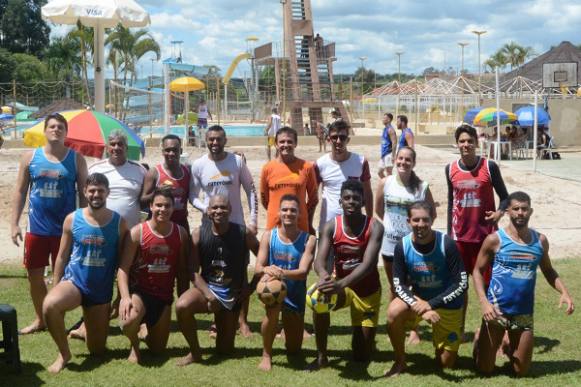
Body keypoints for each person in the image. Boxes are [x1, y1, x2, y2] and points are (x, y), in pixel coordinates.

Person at [473, 191, 574, 377]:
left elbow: (548, 270)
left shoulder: (540, 241)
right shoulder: (495, 240)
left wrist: (564, 292)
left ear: (531, 211)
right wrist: (483, 302)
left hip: (523, 313)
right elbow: (477, 271)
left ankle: (507, 342)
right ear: (508, 212)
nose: (520, 213)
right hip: (496, 311)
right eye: (516, 209)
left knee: (521, 371)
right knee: (485, 369)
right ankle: (481, 336)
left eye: (524, 209)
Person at [11, 112, 88, 335]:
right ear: (45, 131)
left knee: (62, 276)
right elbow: (20, 191)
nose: (56, 130)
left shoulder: (76, 159)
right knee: (34, 275)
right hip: (37, 229)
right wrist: (14, 224)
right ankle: (40, 319)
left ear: (66, 133)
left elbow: (84, 195)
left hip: (65, 230)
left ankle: (56, 318)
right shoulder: (30, 158)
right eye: (52, 126)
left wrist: (83, 223)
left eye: (60, 127)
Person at [65, 131, 147, 340]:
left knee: (128, 276)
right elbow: (86, 199)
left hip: (129, 236)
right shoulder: (96, 169)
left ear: (126, 147)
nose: (117, 148)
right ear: (107, 147)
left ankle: (132, 317)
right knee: (96, 280)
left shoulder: (139, 170)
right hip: (100, 234)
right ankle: (87, 323)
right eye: (112, 144)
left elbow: (145, 201)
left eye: (120, 144)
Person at [42, 173, 127, 373]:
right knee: (50, 305)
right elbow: (62, 256)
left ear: (108, 192)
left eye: (100, 191)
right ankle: (64, 353)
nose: (96, 194)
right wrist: (56, 285)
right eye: (92, 191)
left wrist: (121, 297)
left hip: (101, 290)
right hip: (74, 282)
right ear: (85, 192)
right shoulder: (72, 219)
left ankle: (85, 328)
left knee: (97, 351)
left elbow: (123, 262)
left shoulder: (119, 223)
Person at [190, 124, 258, 336]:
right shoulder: (199, 165)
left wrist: (253, 219)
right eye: (211, 139)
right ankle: (215, 318)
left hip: (236, 226)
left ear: (225, 140)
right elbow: (192, 196)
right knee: (211, 271)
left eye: (219, 139)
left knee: (240, 271)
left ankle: (243, 320)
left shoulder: (236, 161)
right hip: (211, 227)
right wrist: (207, 209)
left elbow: (251, 189)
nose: (215, 143)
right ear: (206, 140)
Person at [308, 180, 384, 370]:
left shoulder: (375, 227)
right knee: (319, 297)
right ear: (340, 202)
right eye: (347, 198)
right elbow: (319, 260)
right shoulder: (330, 226)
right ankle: (321, 356)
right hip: (344, 289)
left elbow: (368, 265)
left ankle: (367, 340)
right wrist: (324, 276)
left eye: (356, 199)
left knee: (361, 355)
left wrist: (339, 284)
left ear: (363, 202)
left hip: (368, 292)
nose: (351, 202)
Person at [385, 201, 467, 377]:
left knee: (446, 364)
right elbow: (398, 285)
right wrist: (420, 305)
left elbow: (461, 284)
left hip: (446, 304)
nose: (420, 224)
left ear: (432, 220)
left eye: (425, 220)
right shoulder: (402, 246)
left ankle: (448, 345)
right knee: (393, 311)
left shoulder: (447, 244)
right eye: (416, 220)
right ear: (408, 221)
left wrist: (430, 305)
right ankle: (400, 362)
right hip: (420, 302)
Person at [175, 195, 259, 365]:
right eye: (214, 207)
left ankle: (225, 331)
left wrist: (251, 288)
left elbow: (264, 261)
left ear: (230, 210)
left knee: (225, 350)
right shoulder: (199, 233)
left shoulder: (244, 233)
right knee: (182, 306)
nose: (218, 211)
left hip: (231, 295)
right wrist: (209, 295)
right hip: (207, 291)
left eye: (223, 207)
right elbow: (192, 271)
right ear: (208, 210)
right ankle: (195, 352)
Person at [446, 124, 508, 336]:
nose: (466, 145)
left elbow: (505, 197)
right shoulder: (450, 168)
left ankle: (491, 331)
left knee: (491, 288)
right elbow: (450, 202)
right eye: (462, 141)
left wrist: (500, 213)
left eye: (469, 141)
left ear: (476, 143)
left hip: (485, 238)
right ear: (457, 144)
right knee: (460, 287)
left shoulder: (489, 166)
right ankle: (460, 329)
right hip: (460, 239)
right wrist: (449, 235)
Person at [117, 188, 189, 364]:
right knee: (127, 323)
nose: (162, 209)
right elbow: (123, 269)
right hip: (140, 293)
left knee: (158, 351)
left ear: (173, 208)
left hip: (163, 298)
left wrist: (183, 301)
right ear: (150, 206)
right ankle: (134, 345)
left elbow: (181, 271)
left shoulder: (181, 234)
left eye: (167, 206)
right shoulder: (138, 232)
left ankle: (145, 328)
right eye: (158, 205)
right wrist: (125, 298)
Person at [375, 146, 436, 345]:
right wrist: (387, 228)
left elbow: (431, 214)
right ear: (395, 160)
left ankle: (414, 330)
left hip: (413, 247)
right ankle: (395, 324)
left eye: (407, 160)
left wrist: (420, 235)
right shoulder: (385, 183)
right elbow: (377, 211)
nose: (403, 162)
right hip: (390, 245)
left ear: (414, 163)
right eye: (400, 159)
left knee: (414, 287)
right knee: (395, 287)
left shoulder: (422, 187)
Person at [254, 194, 317, 371]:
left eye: (293, 210)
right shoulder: (268, 236)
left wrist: (279, 272)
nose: (288, 213)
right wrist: (267, 270)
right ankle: (266, 354)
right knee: (272, 309)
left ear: (299, 214)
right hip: (274, 291)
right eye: (285, 209)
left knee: (294, 350)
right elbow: (258, 267)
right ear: (279, 212)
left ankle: (286, 330)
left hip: (295, 296)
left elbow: (303, 272)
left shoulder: (309, 240)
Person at [315, 119, 373, 233]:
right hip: (328, 228)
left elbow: (367, 193)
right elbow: (312, 197)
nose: (338, 141)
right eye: (334, 137)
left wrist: (369, 221)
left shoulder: (361, 162)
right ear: (328, 140)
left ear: (348, 140)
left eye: (342, 137)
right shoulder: (320, 164)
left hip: (355, 227)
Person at [260, 127, 318, 234]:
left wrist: (302, 213)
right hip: (275, 225)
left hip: (299, 226)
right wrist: (276, 212)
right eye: (282, 142)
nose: (285, 145)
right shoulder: (267, 168)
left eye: (290, 142)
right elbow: (264, 199)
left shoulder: (306, 167)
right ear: (276, 145)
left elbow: (313, 198)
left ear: (296, 144)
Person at [142, 134, 191, 232]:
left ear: (180, 151)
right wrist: (158, 192)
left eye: (175, 150)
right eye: (168, 150)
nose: (171, 153)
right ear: (162, 152)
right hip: (158, 225)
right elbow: (142, 202)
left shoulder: (187, 171)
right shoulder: (154, 172)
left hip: (181, 224)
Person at [378, 113, 397, 178]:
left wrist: (393, 156)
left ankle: (390, 186)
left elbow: (394, 143)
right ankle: (386, 183)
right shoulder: (385, 129)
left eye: (384, 118)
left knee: (389, 173)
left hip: (389, 154)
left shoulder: (391, 130)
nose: (382, 119)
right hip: (384, 154)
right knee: (380, 172)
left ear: (389, 120)